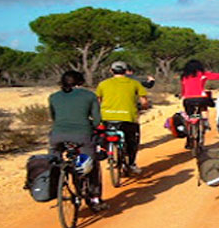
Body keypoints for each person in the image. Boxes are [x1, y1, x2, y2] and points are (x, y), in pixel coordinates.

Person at [49, 70, 107, 210]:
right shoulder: (89, 95)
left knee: (54, 161)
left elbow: (54, 117)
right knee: (91, 164)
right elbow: (97, 119)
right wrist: (92, 127)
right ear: (81, 82)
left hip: (57, 136)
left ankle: (57, 184)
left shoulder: (53, 97)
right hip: (82, 135)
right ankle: (94, 198)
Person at [96, 61, 150, 175]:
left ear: (111, 71)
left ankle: (108, 154)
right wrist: (144, 107)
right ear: (126, 71)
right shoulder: (134, 83)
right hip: (128, 117)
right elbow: (144, 101)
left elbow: (98, 101)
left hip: (107, 117)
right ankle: (131, 164)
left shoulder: (103, 84)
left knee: (105, 135)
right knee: (132, 140)